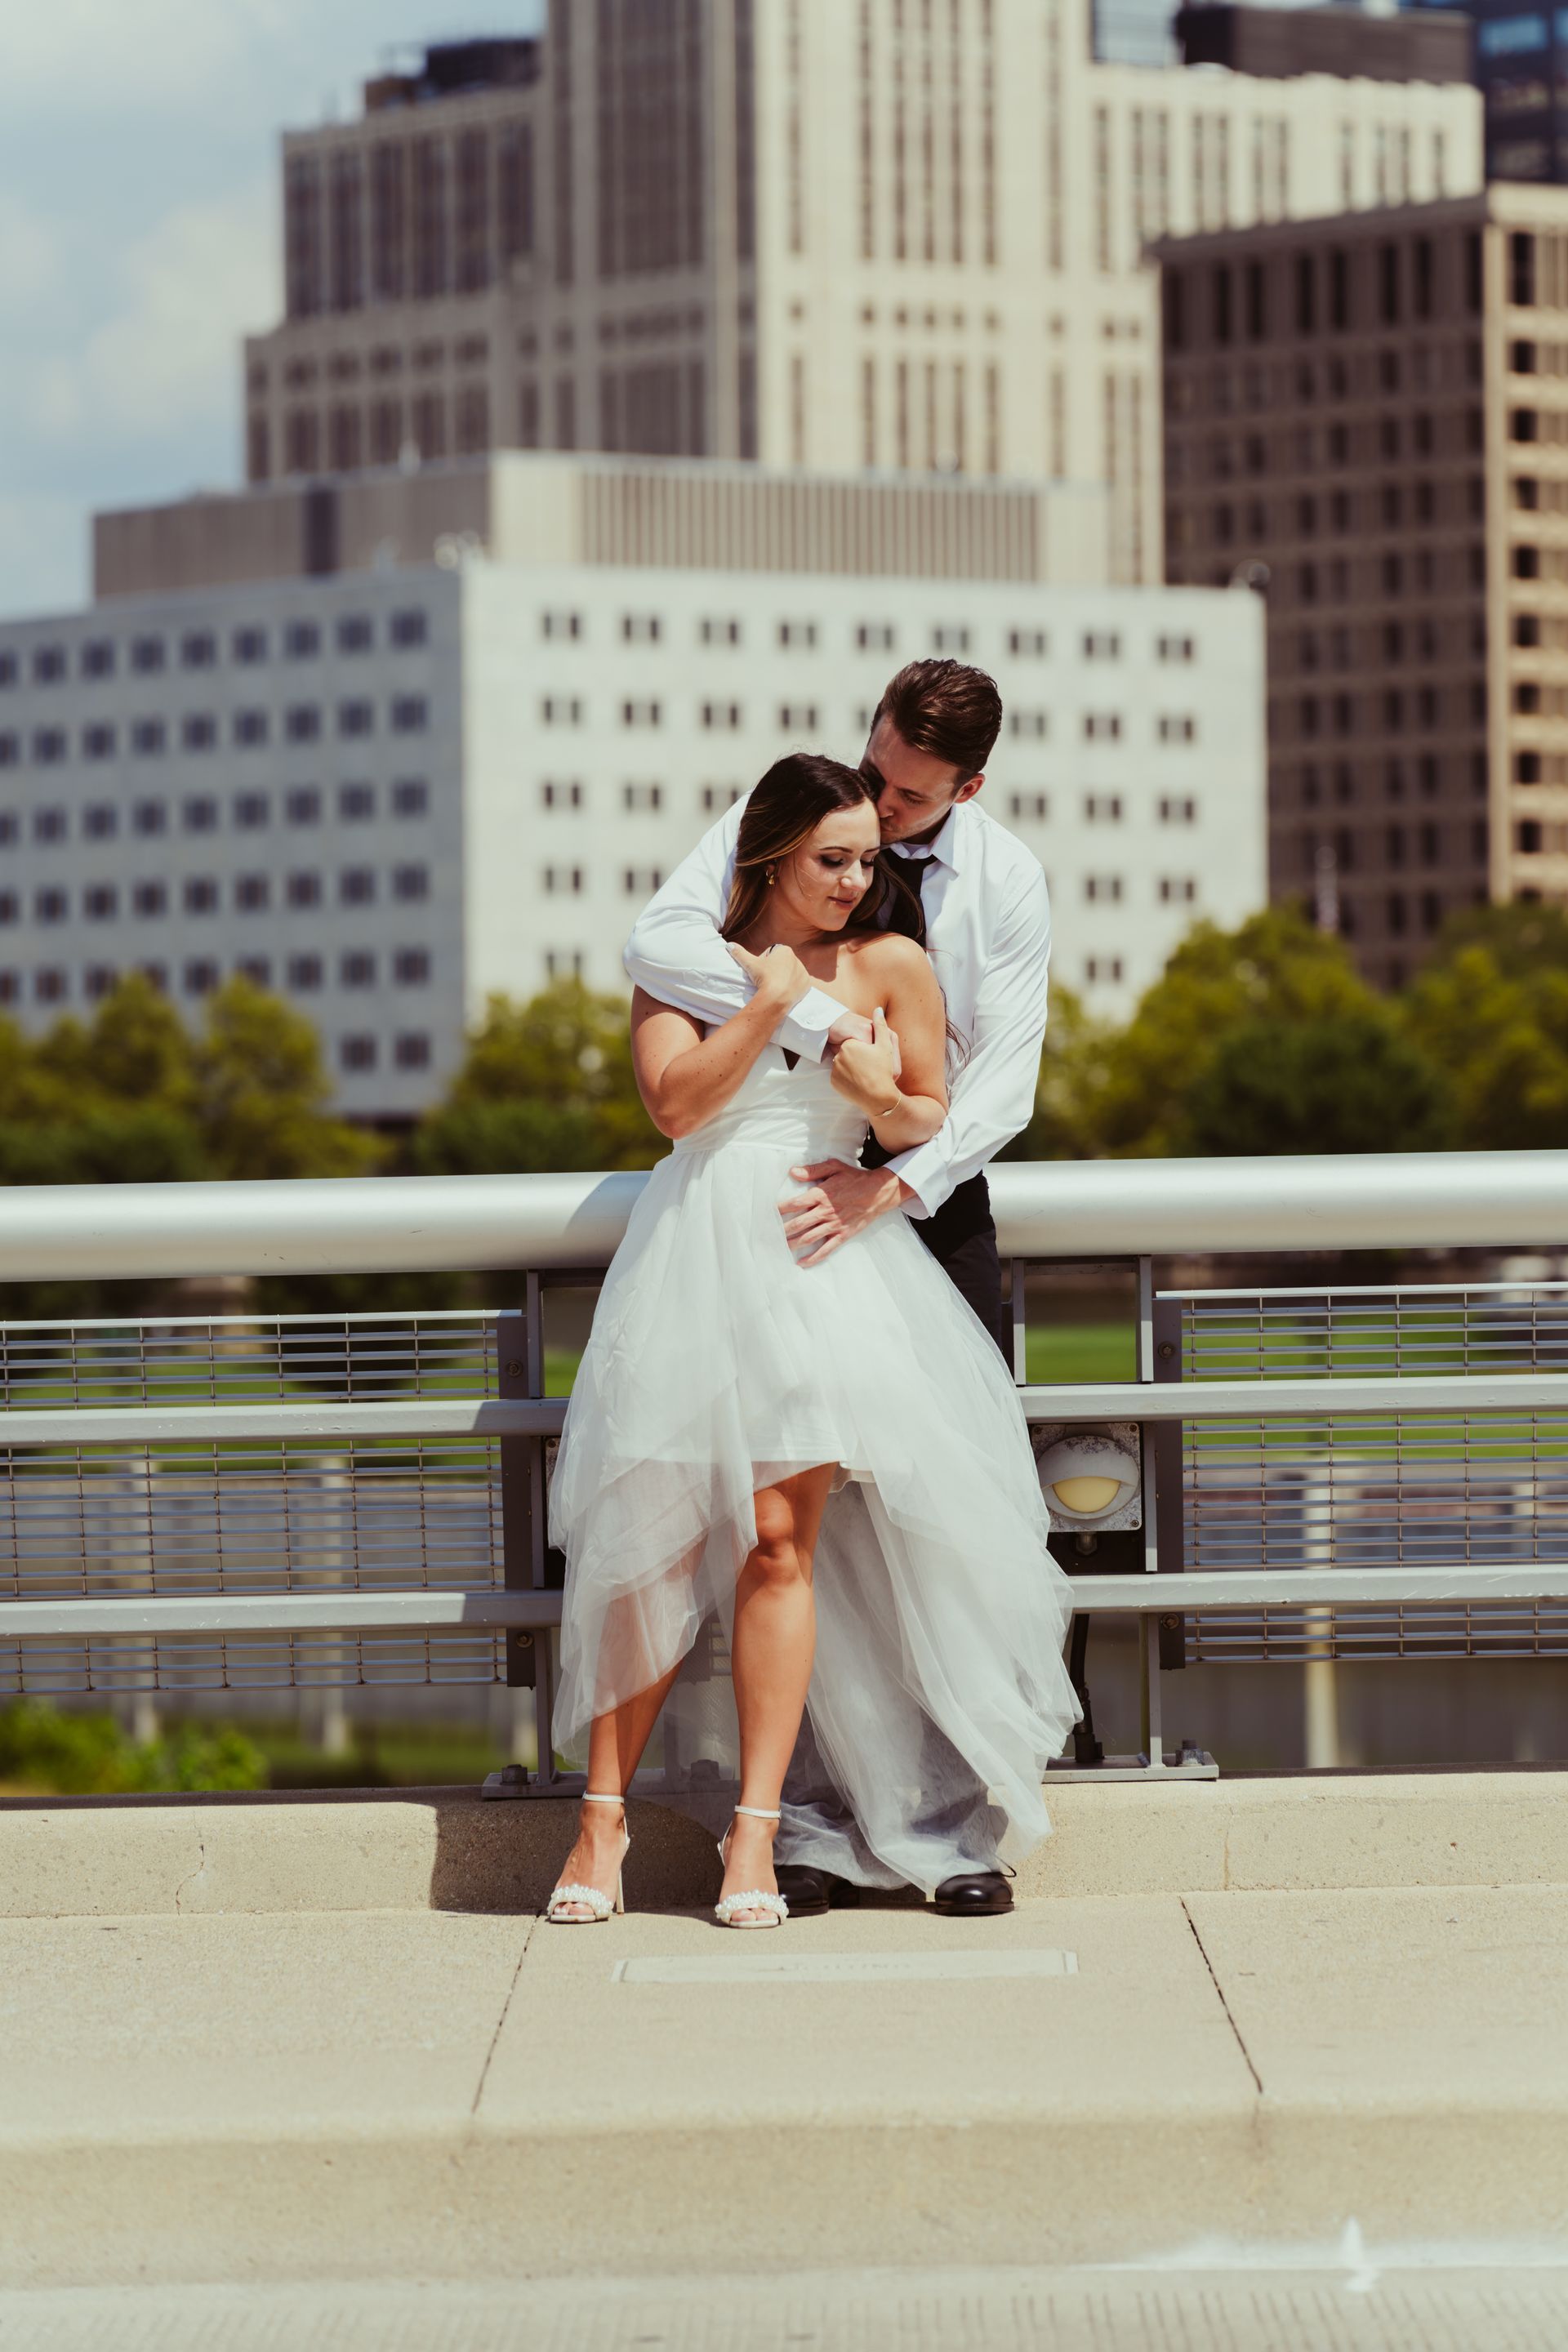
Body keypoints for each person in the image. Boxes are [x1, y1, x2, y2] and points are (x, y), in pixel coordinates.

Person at [545, 751, 1078, 1931]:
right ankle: (601, 1822)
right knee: (655, 1548)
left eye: (867, 861)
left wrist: (877, 1097)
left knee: (783, 1542)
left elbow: (928, 1114)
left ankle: (757, 1839)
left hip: (824, 1257)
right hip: (695, 1259)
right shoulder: (683, 959)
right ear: (771, 852)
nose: (853, 880)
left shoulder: (895, 964)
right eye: (831, 859)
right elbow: (677, 1108)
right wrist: (776, 1007)